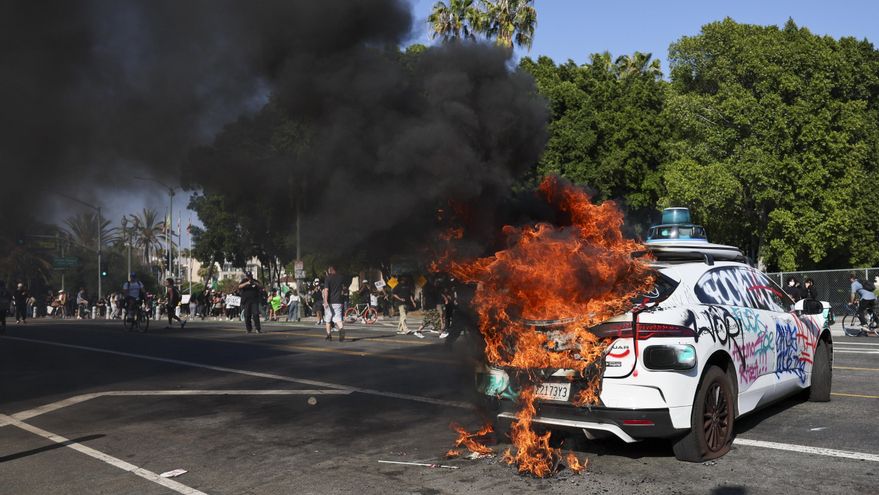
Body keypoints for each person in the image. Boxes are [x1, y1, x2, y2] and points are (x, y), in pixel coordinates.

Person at [323, 266, 345, 342]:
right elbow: (343, 289)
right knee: (338, 318)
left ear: (330, 270)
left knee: (328, 319)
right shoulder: (340, 278)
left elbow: (326, 290)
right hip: (338, 301)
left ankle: (329, 335)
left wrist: (325, 300)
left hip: (330, 302)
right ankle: (341, 329)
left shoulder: (328, 278)